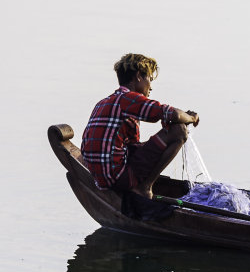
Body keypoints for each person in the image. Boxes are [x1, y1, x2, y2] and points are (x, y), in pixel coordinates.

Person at [81, 53, 200, 199]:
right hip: (118, 178)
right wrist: (192, 117)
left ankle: (142, 185)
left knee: (165, 133)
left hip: (101, 178)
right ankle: (145, 188)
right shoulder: (127, 99)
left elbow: (130, 145)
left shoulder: (103, 102)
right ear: (138, 76)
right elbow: (172, 114)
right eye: (149, 79)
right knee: (179, 131)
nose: (150, 88)